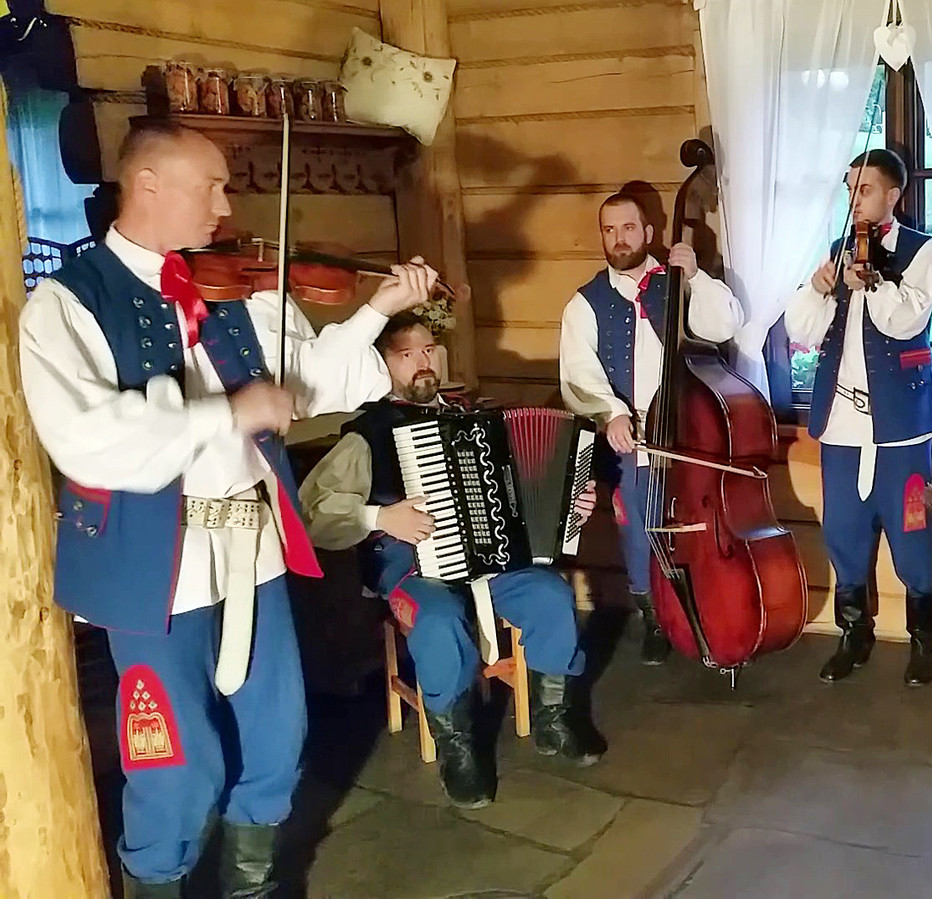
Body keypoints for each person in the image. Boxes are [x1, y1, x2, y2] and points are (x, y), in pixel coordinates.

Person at [18, 119, 437, 897]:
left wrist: (377, 311)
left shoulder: (237, 285)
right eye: (209, 186)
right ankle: (157, 878)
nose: (225, 203)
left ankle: (251, 883)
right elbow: (88, 440)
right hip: (151, 562)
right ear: (148, 185)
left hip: (251, 544)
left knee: (277, 734)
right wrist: (230, 412)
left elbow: (308, 381)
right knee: (176, 760)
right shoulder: (67, 304)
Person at [299, 313, 605, 809]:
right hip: (412, 568)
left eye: (428, 350)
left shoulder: (478, 417)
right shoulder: (368, 433)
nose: (422, 362)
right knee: (439, 621)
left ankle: (555, 717)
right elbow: (314, 512)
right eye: (406, 354)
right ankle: (457, 747)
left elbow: (526, 493)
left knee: (551, 595)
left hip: (494, 562)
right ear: (383, 364)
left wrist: (571, 505)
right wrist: (381, 516)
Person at [557, 190, 745, 664]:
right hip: (632, 437)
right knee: (638, 528)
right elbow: (578, 372)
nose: (619, 239)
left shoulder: (677, 281)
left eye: (628, 228)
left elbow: (725, 326)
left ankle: (705, 608)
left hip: (690, 431)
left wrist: (696, 276)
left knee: (697, 523)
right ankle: (655, 618)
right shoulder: (586, 303)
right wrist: (611, 412)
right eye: (609, 230)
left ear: (648, 232)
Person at [786, 148, 932, 686]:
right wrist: (819, 288)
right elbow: (804, 332)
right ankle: (854, 634)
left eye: (866, 188)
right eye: (850, 188)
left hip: (901, 424)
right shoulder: (838, 251)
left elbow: (905, 322)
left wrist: (873, 282)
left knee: (911, 532)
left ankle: (924, 637)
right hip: (841, 422)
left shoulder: (923, 252)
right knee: (843, 531)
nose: (854, 199)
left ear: (893, 195)